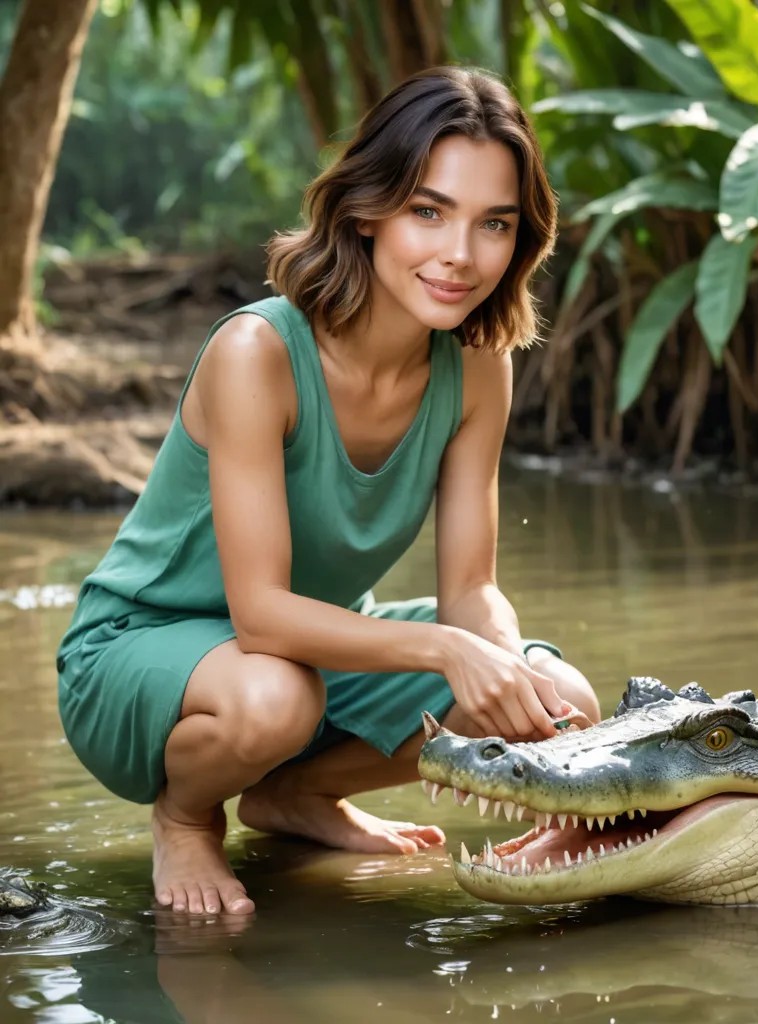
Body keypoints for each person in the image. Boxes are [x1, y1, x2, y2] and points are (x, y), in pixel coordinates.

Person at [56, 66, 600, 917]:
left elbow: (470, 589)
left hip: (307, 658)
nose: (461, 254)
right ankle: (187, 814)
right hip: (141, 653)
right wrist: (450, 652)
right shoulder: (257, 353)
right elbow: (262, 617)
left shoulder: (479, 367)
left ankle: (291, 797)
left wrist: (507, 667)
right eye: (429, 211)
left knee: (560, 694)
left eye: (493, 224)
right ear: (366, 209)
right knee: (277, 695)